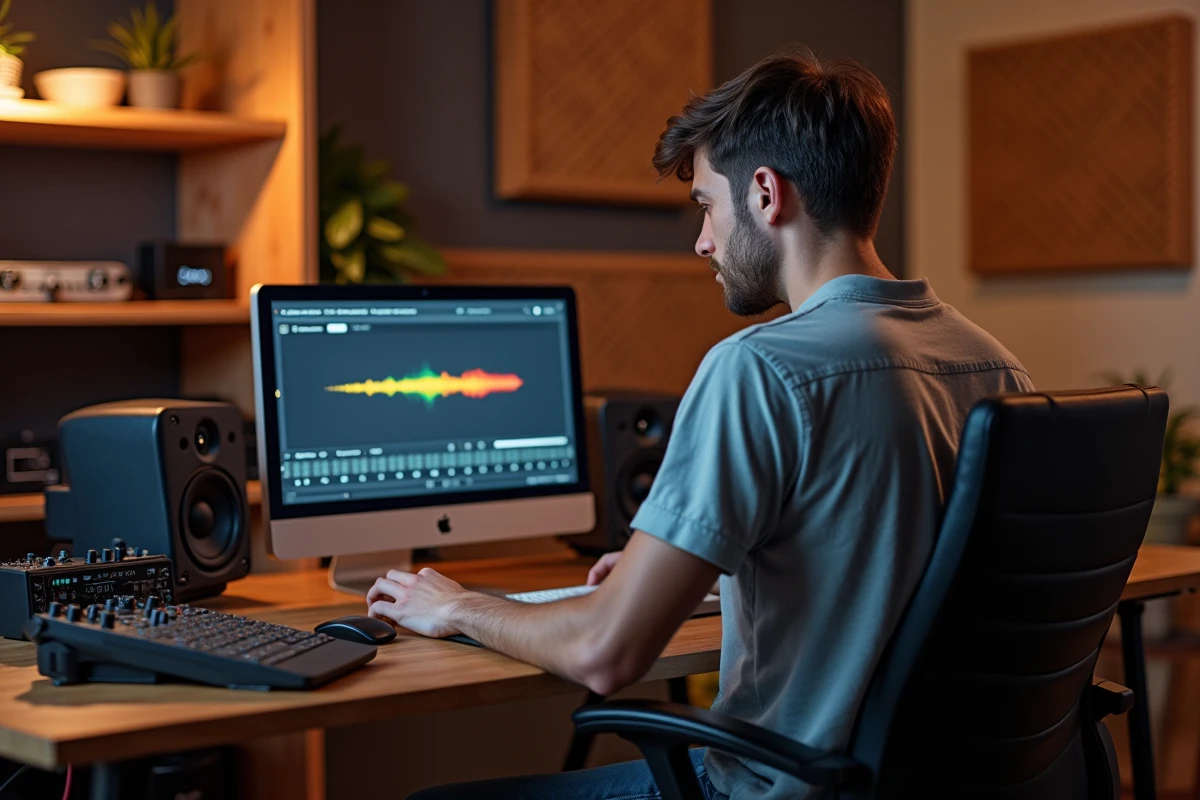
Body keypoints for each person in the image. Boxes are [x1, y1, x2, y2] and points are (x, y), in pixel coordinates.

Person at [372, 49, 1034, 800]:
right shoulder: (995, 366)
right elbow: (910, 567)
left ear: (764, 194)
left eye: (704, 206)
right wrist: (702, 575)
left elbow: (604, 653)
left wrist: (457, 605)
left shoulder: (759, 367)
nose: (702, 243)